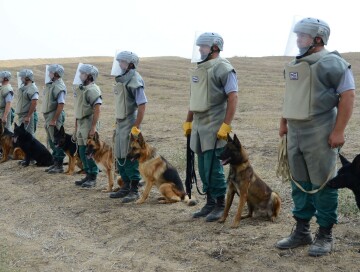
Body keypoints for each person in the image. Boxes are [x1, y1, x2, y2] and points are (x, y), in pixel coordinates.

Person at [276, 17, 355, 257]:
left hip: (320, 130)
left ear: (318, 38)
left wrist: (338, 131)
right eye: (297, 35)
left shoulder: (333, 63)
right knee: (299, 182)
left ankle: (325, 234)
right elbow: (291, 95)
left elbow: (348, 96)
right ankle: (301, 231)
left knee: (322, 182)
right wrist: (284, 122)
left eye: (303, 36)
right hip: (295, 132)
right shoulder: (295, 64)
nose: (298, 39)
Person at [183, 32, 238, 222]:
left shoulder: (223, 68)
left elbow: (233, 97)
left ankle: (220, 204)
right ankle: (209, 201)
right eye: (199, 46)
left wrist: (226, 126)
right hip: (199, 126)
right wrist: (188, 121)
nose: (200, 50)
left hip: (214, 126)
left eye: (203, 46)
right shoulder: (199, 70)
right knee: (203, 166)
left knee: (214, 167)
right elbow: (193, 99)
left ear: (215, 48)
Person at [109, 51, 147, 203]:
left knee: (130, 156)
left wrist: (136, 127)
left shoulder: (135, 80)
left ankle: (134, 189)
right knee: (120, 154)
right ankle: (125, 186)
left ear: (130, 64)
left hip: (130, 122)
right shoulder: (122, 81)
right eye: (119, 61)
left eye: (122, 62)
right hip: (120, 123)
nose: (119, 64)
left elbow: (142, 105)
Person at [73, 64, 102, 188]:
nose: (80, 75)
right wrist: (75, 128)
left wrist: (93, 127)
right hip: (81, 123)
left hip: (88, 122)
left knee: (90, 151)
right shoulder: (81, 89)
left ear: (89, 76)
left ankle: (93, 176)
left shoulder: (93, 90)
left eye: (83, 73)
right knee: (82, 150)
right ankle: (87, 174)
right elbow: (77, 109)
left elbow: (97, 108)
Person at [42, 64, 67, 174]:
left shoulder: (59, 86)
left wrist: (54, 119)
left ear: (56, 74)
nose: (49, 74)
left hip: (54, 116)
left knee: (57, 141)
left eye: (51, 72)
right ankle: (55, 162)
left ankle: (59, 165)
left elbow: (61, 104)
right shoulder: (51, 85)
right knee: (52, 141)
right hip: (49, 116)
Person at [15, 69, 39, 136]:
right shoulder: (23, 87)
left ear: (27, 78)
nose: (21, 78)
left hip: (26, 116)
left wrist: (28, 116)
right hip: (22, 116)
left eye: (22, 77)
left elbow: (34, 102)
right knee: (21, 136)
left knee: (28, 136)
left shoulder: (33, 88)